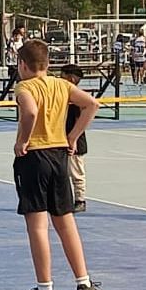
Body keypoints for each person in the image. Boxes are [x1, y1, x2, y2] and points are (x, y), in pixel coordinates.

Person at [14, 41, 107, 290]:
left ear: (22, 65)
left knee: (38, 226)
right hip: (59, 156)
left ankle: (45, 289)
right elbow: (91, 105)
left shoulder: (25, 87)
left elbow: (30, 111)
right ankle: (84, 284)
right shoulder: (62, 85)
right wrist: (73, 136)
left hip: (34, 157)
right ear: (47, 64)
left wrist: (23, 139)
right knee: (66, 222)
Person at [60, 65, 89, 212]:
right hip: (61, 137)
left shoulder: (77, 96)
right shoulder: (63, 94)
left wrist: (75, 139)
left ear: (70, 78)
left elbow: (79, 119)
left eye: (62, 75)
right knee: (62, 170)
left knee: (76, 170)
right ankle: (63, 198)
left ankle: (80, 199)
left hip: (75, 138)